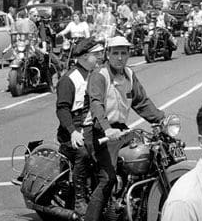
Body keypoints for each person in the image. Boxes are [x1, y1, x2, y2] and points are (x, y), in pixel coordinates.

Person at [86, 36, 165, 221]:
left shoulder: (129, 74)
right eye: (115, 53)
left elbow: (141, 101)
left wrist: (162, 119)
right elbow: (96, 104)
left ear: (129, 54)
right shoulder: (100, 75)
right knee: (108, 179)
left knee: (147, 158)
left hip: (120, 129)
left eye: (123, 53)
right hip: (97, 130)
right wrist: (106, 129)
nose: (120, 57)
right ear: (107, 54)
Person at [55, 37, 105, 218]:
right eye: (96, 54)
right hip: (74, 129)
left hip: (93, 126)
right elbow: (62, 109)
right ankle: (79, 199)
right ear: (84, 57)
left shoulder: (97, 74)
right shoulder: (69, 79)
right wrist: (73, 132)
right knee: (83, 153)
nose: (100, 57)